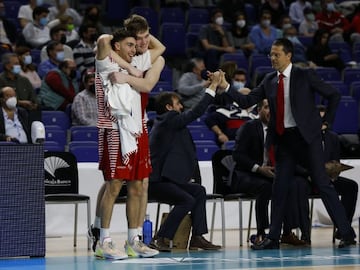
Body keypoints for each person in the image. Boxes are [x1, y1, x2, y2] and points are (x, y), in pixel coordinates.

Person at [221, 38, 356, 249]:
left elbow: (334, 95)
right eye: (271, 55)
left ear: (288, 55)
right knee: (279, 188)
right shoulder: (269, 80)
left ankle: (346, 233)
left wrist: (325, 121)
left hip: (307, 140)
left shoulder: (304, 74)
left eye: (276, 54)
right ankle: (273, 238)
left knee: (323, 184)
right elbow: (246, 101)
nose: (272, 58)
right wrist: (226, 86)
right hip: (284, 141)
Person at [91, 24, 165, 259]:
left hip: (137, 131)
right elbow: (103, 39)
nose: (135, 49)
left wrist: (131, 66)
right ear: (117, 46)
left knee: (137, 185)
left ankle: (133, 240)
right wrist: (125, 66)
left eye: (137, 44)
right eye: (130, 44)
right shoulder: (104, 63)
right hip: (114, 130)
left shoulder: (139, 62)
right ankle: (104, 240)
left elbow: (159, 48)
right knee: (114, 186)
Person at [148, 82, 222, 251]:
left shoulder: (166, 123)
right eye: (178, 104)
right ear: (168, 107)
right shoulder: (168, 120)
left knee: (199, 191)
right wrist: (212, 88)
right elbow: (196, 111)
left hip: (165, 179)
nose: (181, 107)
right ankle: (160, 237)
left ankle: (197, 237)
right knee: (186, 200)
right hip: (156, 182)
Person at [230, 99, 309, 245]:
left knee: (289, 185)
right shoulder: (249, 127)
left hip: (273, 174)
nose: (271, 112)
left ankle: (286, 232)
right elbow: (238, 155)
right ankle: (262, 232)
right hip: (247, 174)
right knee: (266, 187)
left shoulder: (282, 131)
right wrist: (259, 168)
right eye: (267, 108)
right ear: (258, 110)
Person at [205, 64, 254, 146]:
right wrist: (220, 134)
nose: (240, 83)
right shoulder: (227, 108)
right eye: (237, 80)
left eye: (242, 81)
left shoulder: (259, 112)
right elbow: (210, 119)